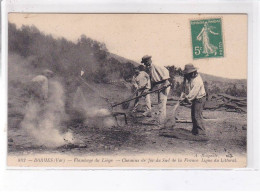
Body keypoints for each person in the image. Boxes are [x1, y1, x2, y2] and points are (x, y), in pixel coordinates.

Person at [141, 55, 170, 125]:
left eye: (145, 62)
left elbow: (166, 71)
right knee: (160, 103)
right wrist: (148, 90)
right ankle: (161, 121)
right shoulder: (150, 68)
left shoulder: (156, 65)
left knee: (162, 104)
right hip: (158, 85)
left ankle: (161, 123)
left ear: (148, 61)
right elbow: (153, 80)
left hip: (164, 84)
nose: (145, 64)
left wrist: (165, 82)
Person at [181, 64, 207, 136]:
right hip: (195, 98)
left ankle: (201, 132)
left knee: (197, 115)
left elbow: (193, 93)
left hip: (199, 99)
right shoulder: (191, 78)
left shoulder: (197, 80)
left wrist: (186, 99)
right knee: (193, 115)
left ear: (193, 72)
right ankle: (195, 131)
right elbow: (186, 87)